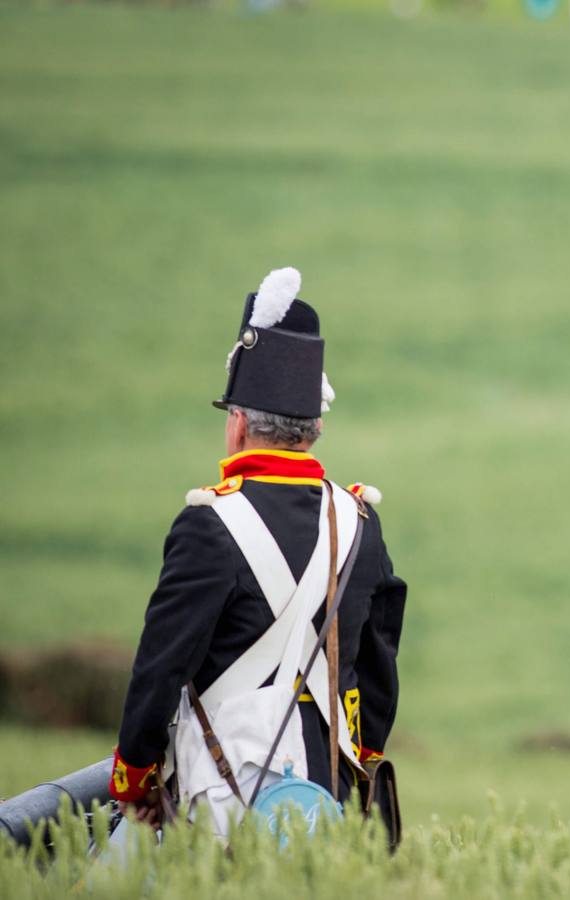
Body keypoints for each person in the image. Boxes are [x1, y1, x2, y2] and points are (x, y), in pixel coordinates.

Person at [108, 267, 406, 838]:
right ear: (313, 428)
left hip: (217, 801)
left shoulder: (208, 525)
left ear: (239, 424)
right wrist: (357, 752)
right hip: (329, 804)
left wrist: (135, 776)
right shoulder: (360, 521)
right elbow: (377, 667)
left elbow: (160, 666)